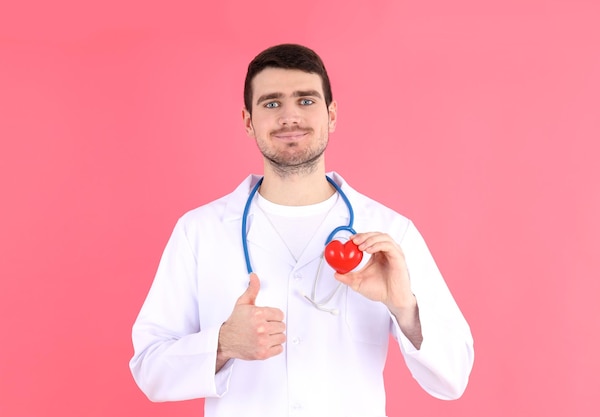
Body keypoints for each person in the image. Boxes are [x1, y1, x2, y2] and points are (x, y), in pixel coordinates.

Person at [129, 43, 474, 417]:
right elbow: (149, 368)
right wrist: (223, 344)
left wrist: (404, 307)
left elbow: (452, 378)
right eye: (272, 103)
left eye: (306, 101)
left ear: (332, 114)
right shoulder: (198, 231)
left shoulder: (389, 232)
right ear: (248, 121)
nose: (290, 116)